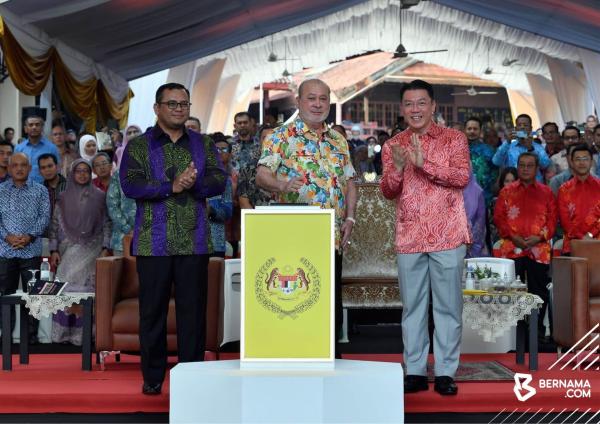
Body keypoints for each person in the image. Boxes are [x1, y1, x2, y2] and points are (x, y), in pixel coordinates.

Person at [120, 82, 227, 395]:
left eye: (184, 104)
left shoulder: (203, 144)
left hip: (195, 242)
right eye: (173, 104)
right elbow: (130, 185)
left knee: (192, 313)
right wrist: (172, 186)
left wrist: (195, 184)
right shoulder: (138, 146)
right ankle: (153, 377)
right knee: (152, 312)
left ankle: (191, 376)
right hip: (153, 243)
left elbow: (219, 180)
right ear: (157, 108)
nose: (179, 109)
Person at [380, 79, 470, 396]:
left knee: (448, 307)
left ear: (433, 106)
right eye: (409, 104)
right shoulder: (393, 145)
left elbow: (462, 176)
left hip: (448, 234)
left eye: (421, 103)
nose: (415, 109)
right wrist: (397, 169)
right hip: (410, 235)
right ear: (402, 109)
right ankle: (415, 370)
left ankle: (445, 372)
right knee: (413, 308)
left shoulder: (454, 139)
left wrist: (424, 164)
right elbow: (388, 190)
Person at [256, 78, 357, 359]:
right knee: (298, 300)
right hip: (295, 237)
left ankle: (330, 359)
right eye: (311, 98)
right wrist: (282, 184)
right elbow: (262, 175)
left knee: (330, 302)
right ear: (298, 102)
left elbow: (350, 181)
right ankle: (294, 357)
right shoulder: (280, 136)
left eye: (323, 99)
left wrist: (350, 219)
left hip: (332, 236)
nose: (317, 104)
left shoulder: (338, 140)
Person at [493, 152, 557, 338]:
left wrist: (539, 237)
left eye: (530, 165)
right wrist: (513, 237)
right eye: (522, 165)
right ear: (517, 167)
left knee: (539, 292)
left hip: (539, 249)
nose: (525, 169)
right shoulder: (506, 191)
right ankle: (515, 335)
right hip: (512, 248)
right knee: (511, 293)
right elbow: (499, 219)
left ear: (537, 169)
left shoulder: (546, 192)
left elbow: (553, 220)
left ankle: (537, 333)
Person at [49, 159, 111, 345]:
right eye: (78, 171)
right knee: (65, 286)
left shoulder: (100, 196)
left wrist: (106, 247)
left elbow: (107, 223)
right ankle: (62, 334)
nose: (82, 174)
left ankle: (83, 335)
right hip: (67, 250)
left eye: (86, 171)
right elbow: (54, 225)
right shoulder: (63, 197)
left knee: (87, 290)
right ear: (72, 174)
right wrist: (53, 249)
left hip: (93, 249)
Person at [0, 153, 50, 344]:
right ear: (9, 168)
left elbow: (44, 217)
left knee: (33, 294)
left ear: (29, 168)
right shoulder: (1, 190)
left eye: (23, 165)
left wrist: (29, 237)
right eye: (15, 165)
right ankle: (5, 335)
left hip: (31, 250)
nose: (19, 169)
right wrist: (7, 237)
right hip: (5, 250)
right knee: (6, 295)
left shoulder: (40, 190)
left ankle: (31, 336)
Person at [557, 144, 600, 254]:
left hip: (598, 242)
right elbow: (565, 221)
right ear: (571, 162)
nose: (582, 163)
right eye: (578, 159)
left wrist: (589, 235)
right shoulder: (564, 189)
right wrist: (582, 238)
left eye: (585, 159)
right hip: (572, 244)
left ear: (591, 162)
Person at [492, 114, 550, 181]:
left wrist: (530, 149)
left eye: (525, 125)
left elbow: (545, 165)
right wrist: (507, 142)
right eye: (519, 125)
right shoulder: (509, 146)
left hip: (534, 185)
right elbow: (496, 161)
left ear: (530, 129)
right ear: (516, 129)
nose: (522, 127)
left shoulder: (538, 147)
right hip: (514, 184)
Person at [15, 116, 61, 184]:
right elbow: (14, 169)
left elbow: (57, 170)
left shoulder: (52, 148)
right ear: (25, 129)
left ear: (42, 128)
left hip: (46, 187)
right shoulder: (18, 148)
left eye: (37, 125)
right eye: (31, 125)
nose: (34, 127)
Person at [207, 139, 233, 257]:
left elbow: (228, 212)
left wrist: (211, 210)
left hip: (215, 241)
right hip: (189, 243)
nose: (219, 152)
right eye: (216, 150)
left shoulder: (224, 180)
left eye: (223, 149)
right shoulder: (187, 177)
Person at [238, 125, 274, 209]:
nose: (269, 141)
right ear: (259, 142)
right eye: (265, 138)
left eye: (273, 138)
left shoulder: (290, 168)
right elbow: (243, 202)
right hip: (257, 215)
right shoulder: (247, 169)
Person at [465, 117, 497, 206]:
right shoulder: (458, 150)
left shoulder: (489, 150)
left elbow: (495, 172)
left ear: (480, 131)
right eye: (469, 129)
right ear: (465, 130)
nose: (472, 131)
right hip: (463, 199)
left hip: (484, 197)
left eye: (475, 129)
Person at [106, 168, 136, 256]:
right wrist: (128, 229)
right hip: (122, 240)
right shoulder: (119, 173)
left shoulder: (157, 172)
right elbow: (112, 205)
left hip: (153, 240)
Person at [463, 173, 487, 258]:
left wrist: (470, 240)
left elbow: (480, 220)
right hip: (453, 243)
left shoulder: (477, 191)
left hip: (473, 244)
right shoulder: (449, 190)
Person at [38, 153, 68, 219]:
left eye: (50, 166)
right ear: (39, 171)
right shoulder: (38, 191)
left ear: (57, 167)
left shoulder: (70, 187)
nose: (47, 170)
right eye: (43, 168)